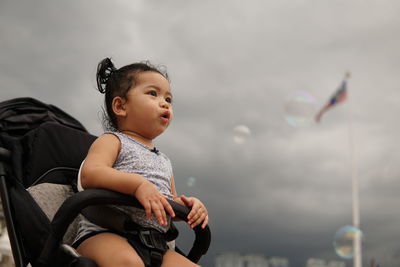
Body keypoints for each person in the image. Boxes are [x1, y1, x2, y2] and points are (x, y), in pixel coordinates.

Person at [72, 58, 209, 267]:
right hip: (106, 233)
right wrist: (138, 185)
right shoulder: (112, 140)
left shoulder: (163, 160)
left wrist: (189, 207)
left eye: (169, 99)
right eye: (153, 94)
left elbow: (167, 203)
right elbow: (90, 174)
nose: (164, 102)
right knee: (129, 263)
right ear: (120, 106)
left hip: (157, 244)